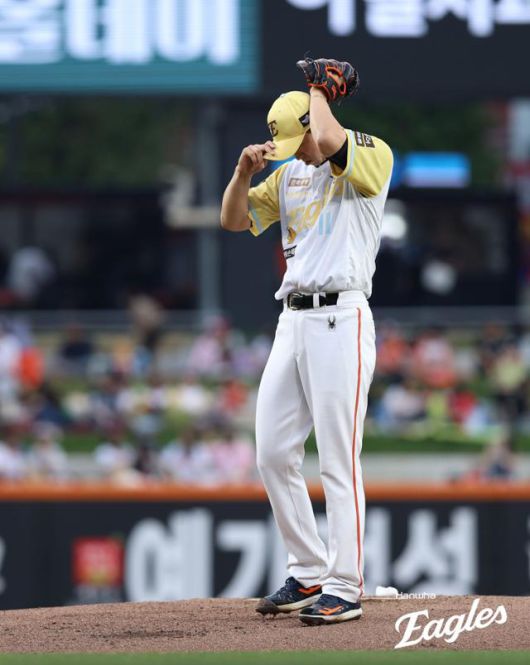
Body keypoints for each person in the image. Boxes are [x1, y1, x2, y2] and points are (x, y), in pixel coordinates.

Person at [220, 58, 393, 625]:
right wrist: (242, 174)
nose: (301, 152)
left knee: (338, 459)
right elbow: (233, 220)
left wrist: (319, 92)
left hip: (342, 315)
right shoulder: (289, 173)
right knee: (272, 451)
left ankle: (345, 585)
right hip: (292, 320)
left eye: (302, 140)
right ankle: (309, 569)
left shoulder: (371, 152)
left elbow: (329, 140)